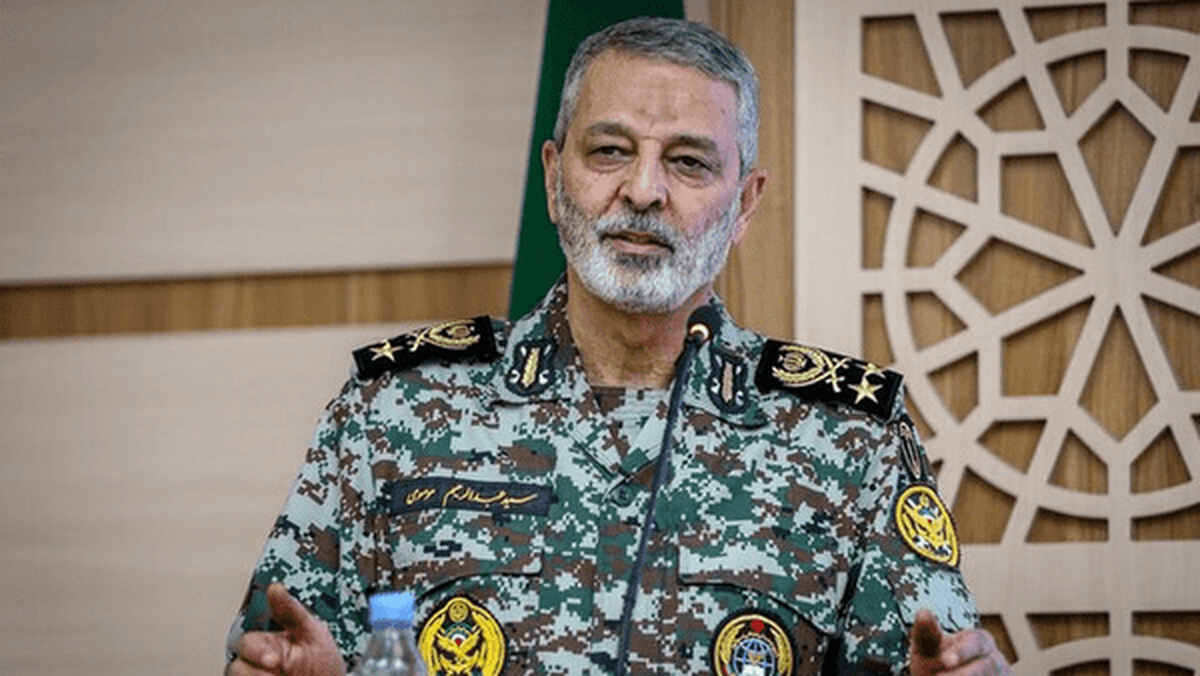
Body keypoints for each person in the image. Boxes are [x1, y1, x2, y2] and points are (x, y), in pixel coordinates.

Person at [226, 17, 1011, 676]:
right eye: (609, 151)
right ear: (552, 178)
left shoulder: (854, 437)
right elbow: (275, 650)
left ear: (745, 203)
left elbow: (938, 661)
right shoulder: (391, 410)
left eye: (688, 162)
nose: (642, 190)